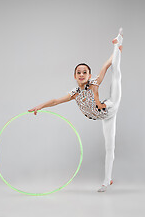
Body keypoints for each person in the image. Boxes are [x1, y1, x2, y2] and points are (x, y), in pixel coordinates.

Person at [28, 28, 123, 192]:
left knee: (116, 73)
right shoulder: (75, 93)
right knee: (110, 147)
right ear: (74, 76)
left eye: (84, 72)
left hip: (111, 104)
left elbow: (106, 66)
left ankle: (118, 41)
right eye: (78, 72)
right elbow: (56, 101)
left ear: (89, 74)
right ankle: (107, 181)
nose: (81, 74)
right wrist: (40, 106)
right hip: (104, 117)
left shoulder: (94, 83)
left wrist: (116, 52)